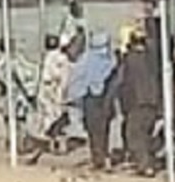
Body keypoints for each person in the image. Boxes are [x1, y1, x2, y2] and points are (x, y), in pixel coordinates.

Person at [66, 32, 118, 171]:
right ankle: (104, 158)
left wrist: (73, 98)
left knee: (93, 131)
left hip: (91, 99)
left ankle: (98, 159)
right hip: (106, 100)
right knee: (103, 130)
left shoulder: (86, 60)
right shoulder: (111, 60)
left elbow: (77, 80)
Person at [117, 29, 161, 177]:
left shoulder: (130, 59)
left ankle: (145, 165)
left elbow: (125, 83)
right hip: (153, 101)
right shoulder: (151, 58)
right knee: (145, 133)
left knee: (134, 135)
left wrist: (124, 106)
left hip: (138, 101)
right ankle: (149, 161)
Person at [26, 34, 72, 164]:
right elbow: (60, 77)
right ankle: (48, 146)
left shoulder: (49, 57)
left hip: (48, 92)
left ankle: (50, 145)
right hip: (52, 92)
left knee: (51, 119)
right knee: (54, 119)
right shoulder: (60, 58)